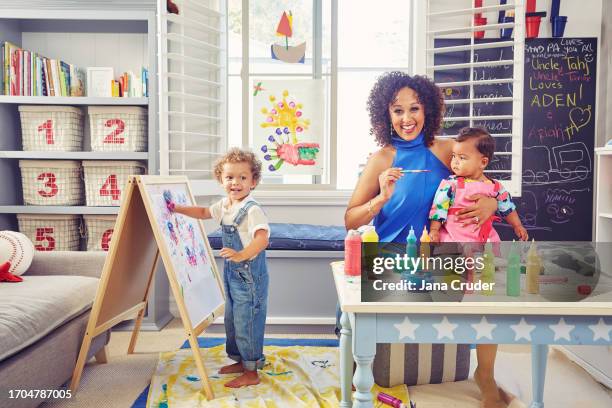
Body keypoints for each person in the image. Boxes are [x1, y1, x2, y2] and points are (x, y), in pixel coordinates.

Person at [344, 72, 511, 408]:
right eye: (398, 110)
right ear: (385, 115)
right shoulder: (382, 159)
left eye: (415, 108)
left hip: (444, 253)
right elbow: (350, 218)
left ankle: (486, 374)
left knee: (491, 287)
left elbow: (486, 179)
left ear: (428, 109)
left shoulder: (449, 149)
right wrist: (380, 198)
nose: (407, 119)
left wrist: (493, 203)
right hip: (395, 257)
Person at [170, 148, 269, 388]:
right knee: (233, 320)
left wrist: (241, 254)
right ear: (221, 180)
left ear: (253, 181)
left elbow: (262, 238)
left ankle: (251, 371)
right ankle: (240, 361)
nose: (236, 183)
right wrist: (178, 209)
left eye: (243, 177)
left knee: (247, 322)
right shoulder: (225, 205)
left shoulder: (252, 209)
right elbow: (204, 212)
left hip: (249, 277)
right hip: (232, 275)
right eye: (230, 177)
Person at [429, 126, 528, 244]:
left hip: (484, 240)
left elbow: (508, 208)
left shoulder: (495, 187)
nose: (455, 161)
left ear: (483, 162)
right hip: (454, 238)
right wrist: (434, 230)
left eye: (462, 158)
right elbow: (439, 207)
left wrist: (517, 226)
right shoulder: (450, 184)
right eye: (454, 156)